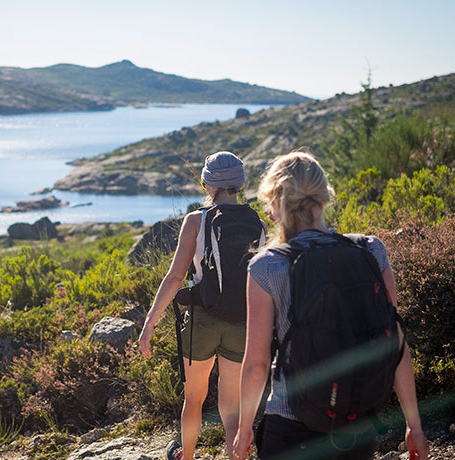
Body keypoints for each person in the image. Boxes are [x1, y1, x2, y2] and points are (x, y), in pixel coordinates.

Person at [233, 151, 430, 460]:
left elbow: (257, 365)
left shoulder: (267, 266)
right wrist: (414, 425)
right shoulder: (370, 250)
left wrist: (244, 429)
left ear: (275, 203)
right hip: (356, 426)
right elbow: (395, 343)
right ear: (325, 197)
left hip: (289, 425)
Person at [139, 151, 264, 460]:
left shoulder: (197, 220)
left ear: (208, 184)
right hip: (241, 321)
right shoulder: (257, 224)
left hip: (201, 321)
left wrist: (150, 322)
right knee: (231, 405)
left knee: (194, 399)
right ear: (240, 183)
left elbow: (175, 276)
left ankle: (187, 455)